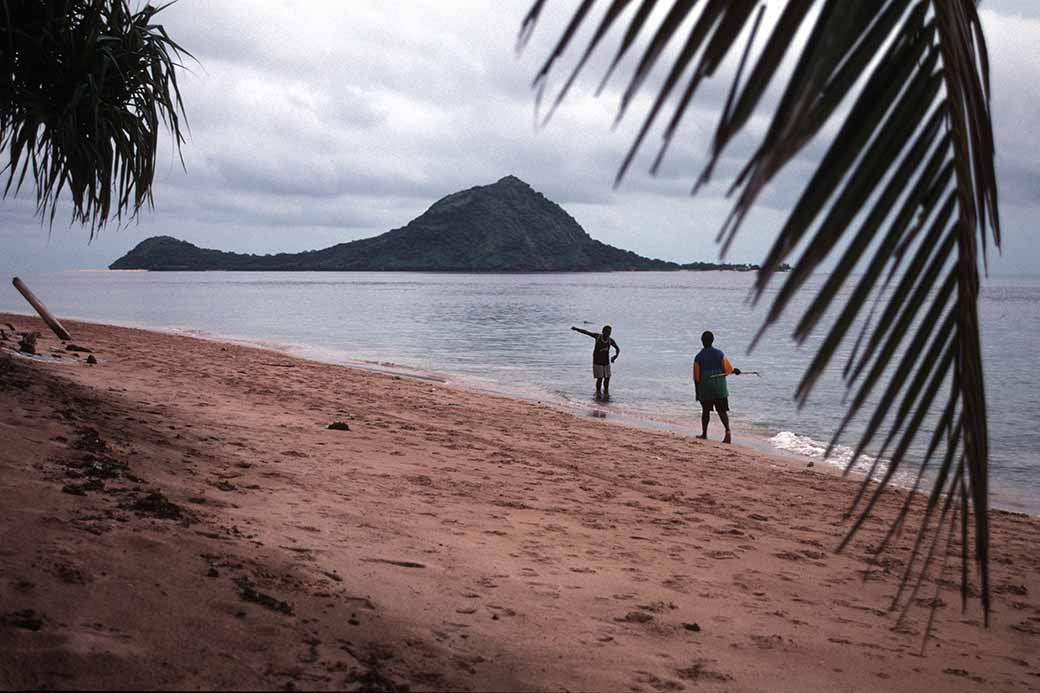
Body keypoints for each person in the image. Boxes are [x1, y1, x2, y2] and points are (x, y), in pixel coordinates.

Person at [693, 330, 741, 443]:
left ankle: (704, 434)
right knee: (722, 411)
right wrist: (735, 371)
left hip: (706, 389)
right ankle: (728, 431)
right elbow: (728, 370)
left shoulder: (698, 357)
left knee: (705, 411)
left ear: (702, 341)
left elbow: (696, 378)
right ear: (713, 340)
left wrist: (697, 392)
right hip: (720, 389)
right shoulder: (720, 354)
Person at [571, 325, 620, 400]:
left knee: (607, 379)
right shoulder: (598, 337)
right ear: (603, 332)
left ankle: (606, 395)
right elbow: (586, 332)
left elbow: (617, 349)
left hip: (606, 362)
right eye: (607, 332)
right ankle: (598, 394)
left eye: (609, 332)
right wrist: (576, 329)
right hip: (597, 362)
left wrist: (615, 357)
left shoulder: (610, 340)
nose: (608, 334)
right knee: (600, 379)